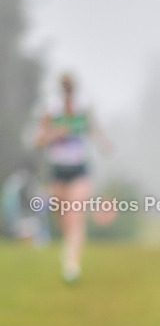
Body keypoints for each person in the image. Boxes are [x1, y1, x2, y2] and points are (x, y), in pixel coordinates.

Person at [34, 73, 110, 282]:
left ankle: (71, 262)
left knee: (75, 215)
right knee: (63, 218)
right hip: (57, 170)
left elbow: (94, 130)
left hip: (79, 169)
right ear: (62, 90)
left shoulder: (83, 108)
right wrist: (54, 134)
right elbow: (38, 139)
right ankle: (69, 246)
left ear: (73, 90)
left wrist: (104, 143)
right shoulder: (51, 109)